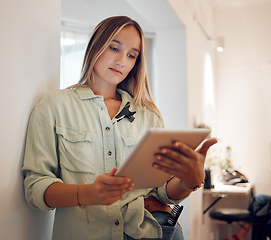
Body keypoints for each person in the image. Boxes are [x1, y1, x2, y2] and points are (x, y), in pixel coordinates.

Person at [22, 16, 217, 240]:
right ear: (95, 46)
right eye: (114, 48)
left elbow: (161, 192)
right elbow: (35, 187)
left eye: (132, 55)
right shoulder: (54, 105)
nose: (122, 60)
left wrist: (189, 182)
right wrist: (87, 193)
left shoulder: (149, 115)